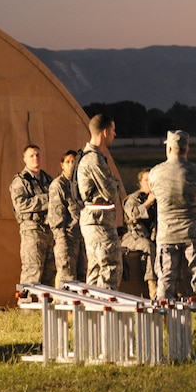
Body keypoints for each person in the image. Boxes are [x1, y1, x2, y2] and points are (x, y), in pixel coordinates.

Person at [149, 130, 196, 322]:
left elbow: (155, 196)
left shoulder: (156, 172)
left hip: (167, 235)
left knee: (166, 281)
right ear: (187, 149)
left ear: (168, 148)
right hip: (194, 235)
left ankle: (164, 322)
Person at [77, 114, 123, 290]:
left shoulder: (93, 156)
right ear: (105, 132)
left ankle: (93, 313)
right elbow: (111, 192)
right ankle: (105, 312)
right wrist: (117, 185)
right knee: (110, 266)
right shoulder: (94, 159)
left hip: (97, 220)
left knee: (97, 269)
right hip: (99, 222)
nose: (114, 134)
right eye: (113, 130)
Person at [9, 144, 56, 293]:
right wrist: (46, 200)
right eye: (31, 155)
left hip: (49, 231)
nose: (35, 158)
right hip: (32, 230)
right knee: (32, 270)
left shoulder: (48, 179)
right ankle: (28, 310)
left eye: (38, 155)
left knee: (49, 271)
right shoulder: (21, 181)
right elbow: (21, 205)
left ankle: (45, 310)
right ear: (24, 159)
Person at [48, 150, 86, 287]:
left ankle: (78, 308)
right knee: (67, 277)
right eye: (68, 162)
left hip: (81, 238)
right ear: (62, 165)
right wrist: (62, 241)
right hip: (66, 238)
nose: (71, 165)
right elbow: (56, 218)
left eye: (74, 161)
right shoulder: (58, 185)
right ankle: (66, 308)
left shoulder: (81, 184)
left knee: (82, 277)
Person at [121, 167, 158, 298]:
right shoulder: (134, 198)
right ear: (140, 183)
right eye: (146, 180)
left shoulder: (158, 200)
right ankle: (152, 285)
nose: (149, 183)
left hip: (150, 236)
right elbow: (133, 215)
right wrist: (148, 202)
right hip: (133, 236)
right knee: (147, 246)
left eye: (151, 180)